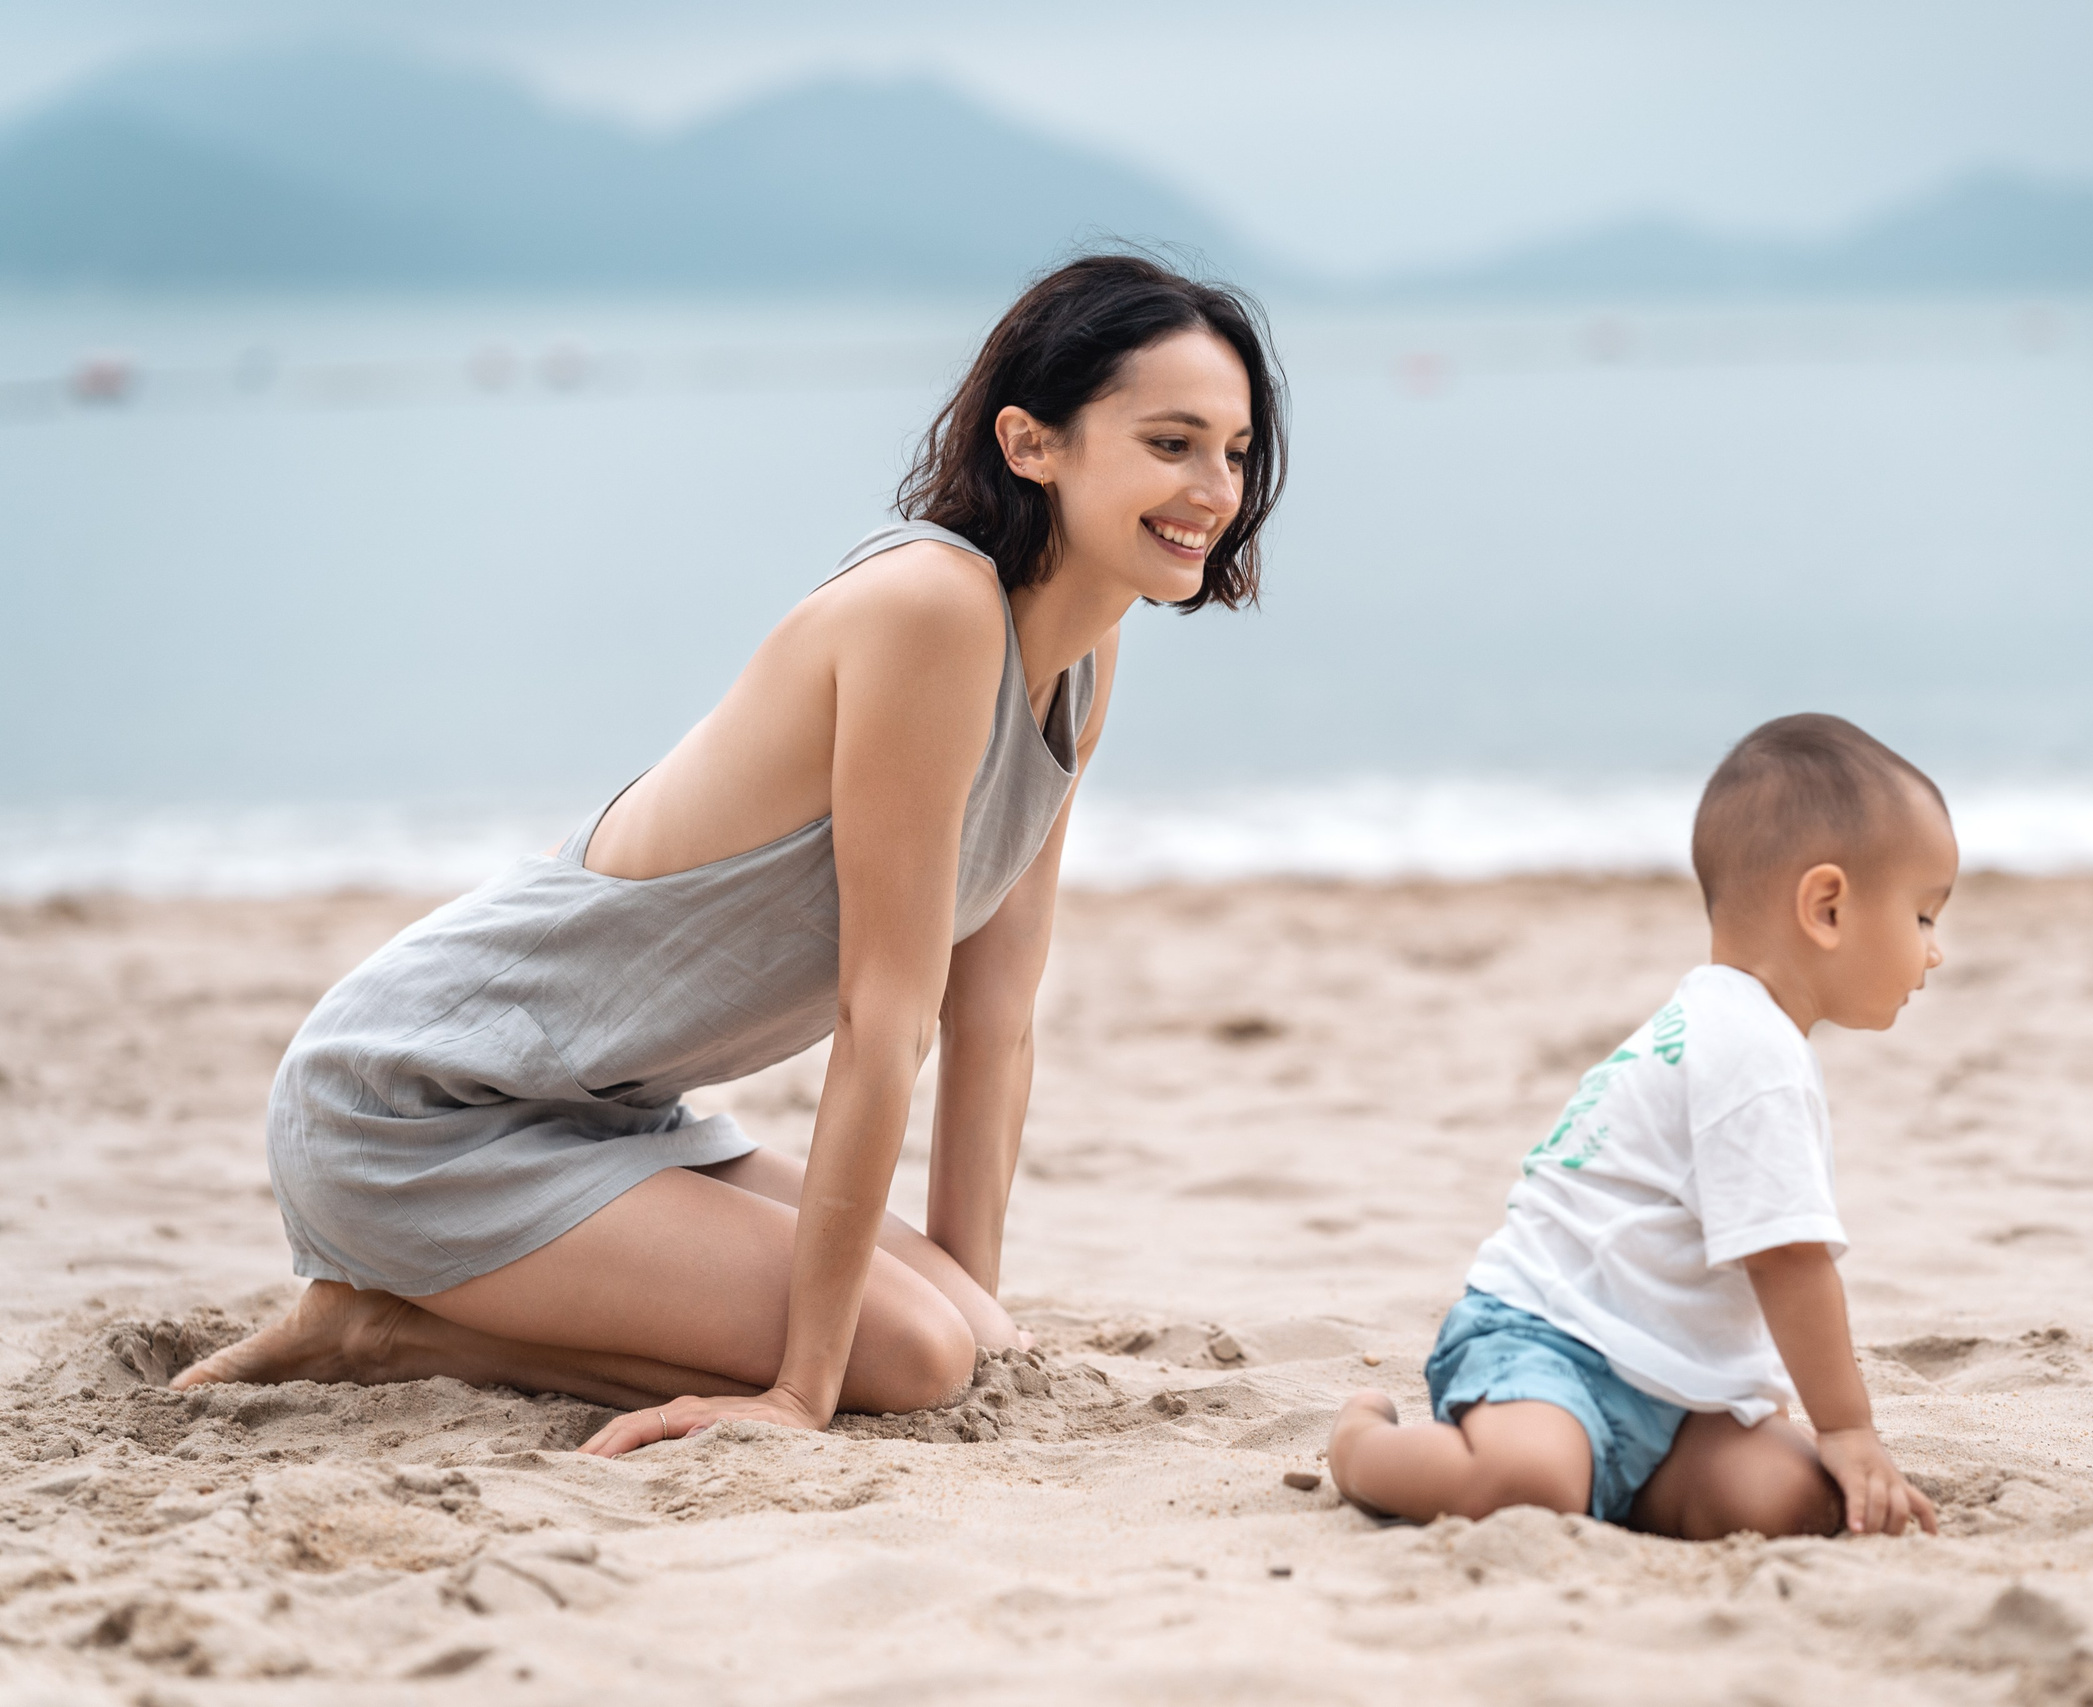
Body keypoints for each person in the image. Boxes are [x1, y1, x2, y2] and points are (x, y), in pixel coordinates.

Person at [174, 254, 1288, 1459]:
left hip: (607, 1118)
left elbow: (996, 1017)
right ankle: (382, 1334)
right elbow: (885, 1018)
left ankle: (443, 1313)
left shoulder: (1081, 654)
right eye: (1171, 443)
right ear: (1033, 444)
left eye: (1232, 450)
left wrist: (981, 1315)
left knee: (957, 1339)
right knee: (910, 1355)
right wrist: (810, 1388)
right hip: (420, 1107)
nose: (1213, 488)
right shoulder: (931, 611)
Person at [1326, 713, 1951, 1539]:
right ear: (1827, 906)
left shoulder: (1746, 1032)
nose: (1934, 952)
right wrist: (1847, 1429)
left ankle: (1618, 1489)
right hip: (1546, 1340)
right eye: (1923, 917)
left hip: (1676, 1392)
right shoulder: (1746, 1048)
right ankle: (1364, 1444)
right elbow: (1788, 1258)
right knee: (1531, 1482)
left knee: (1792, 1503)